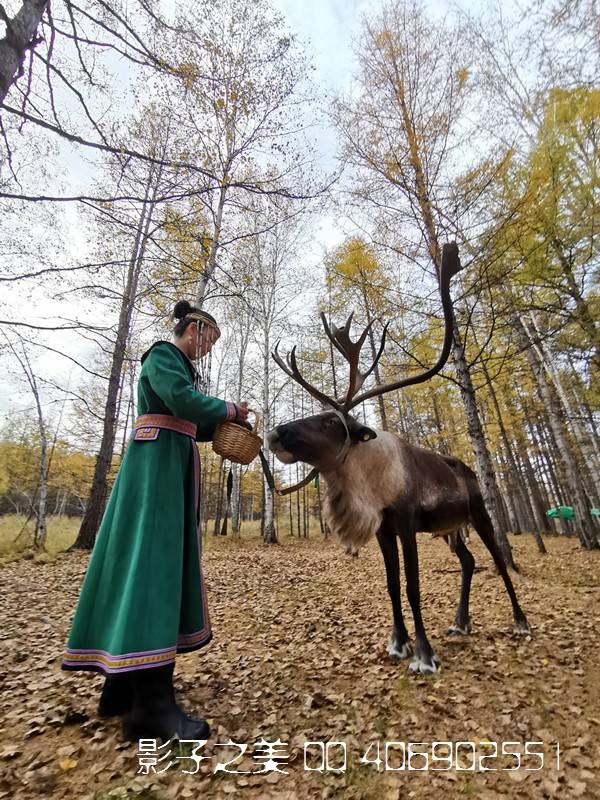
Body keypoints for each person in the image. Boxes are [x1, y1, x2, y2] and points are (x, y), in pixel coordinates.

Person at [61, 300, 249, 743]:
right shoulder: (164, 355)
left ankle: (120, 687)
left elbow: (191, 417)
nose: (207, 347)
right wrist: (227, 409)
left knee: (141, 564)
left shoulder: (182, 368)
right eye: (206, 338)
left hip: (165, 465)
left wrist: (224, 418)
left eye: (212, 343)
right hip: (157, 469)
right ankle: (150, 707)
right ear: (191, 329)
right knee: (152, 568)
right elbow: (182, 400)